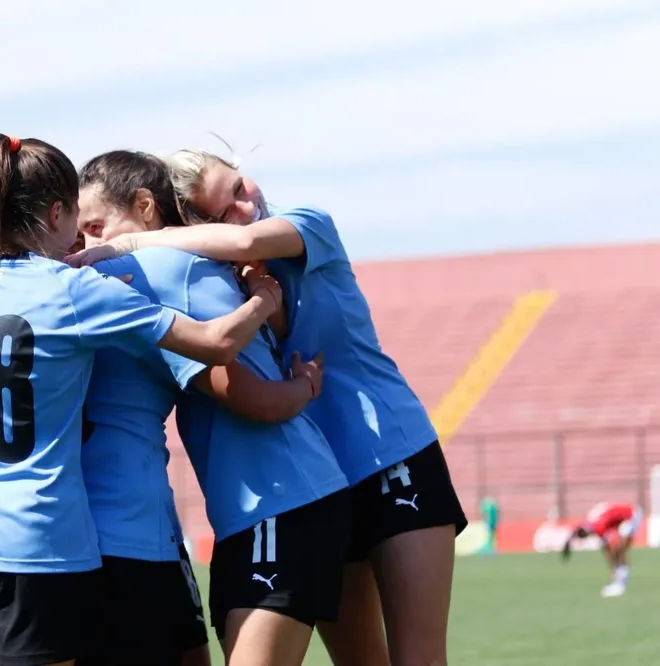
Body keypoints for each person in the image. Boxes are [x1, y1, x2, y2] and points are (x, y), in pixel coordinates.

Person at [67, 147, 469, 666]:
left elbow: (245, 241)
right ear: (199, 224)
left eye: (238, 186)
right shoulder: (221, 274)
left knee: (419, 658)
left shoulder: (302, 226)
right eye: (221, 209)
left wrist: (136, 241)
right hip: (322, 479)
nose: (242, 206)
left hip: (389, 452)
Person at [0, 134, 283, 666]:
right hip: (36, 539)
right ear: (57, 211)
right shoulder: (74, 290)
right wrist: (263, 299)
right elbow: (216, 343)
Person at [78, 150, 350, 666]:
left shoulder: (153, 270)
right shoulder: (180, 265)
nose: (89, 244)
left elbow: (249, 395)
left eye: (96, 226)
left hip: (281, 499)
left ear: (144, 206)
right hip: (257, 509)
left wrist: (303, 390)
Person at [562, 501, 643, 597]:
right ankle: (619, 582)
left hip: (632, 515)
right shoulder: (590, 523)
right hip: (623, 519)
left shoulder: (598, 527)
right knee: (617, 550)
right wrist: (569, 543)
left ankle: (621, 584)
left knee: (620, 549)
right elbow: (577, 531)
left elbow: (607, 548)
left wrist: (612, 568)